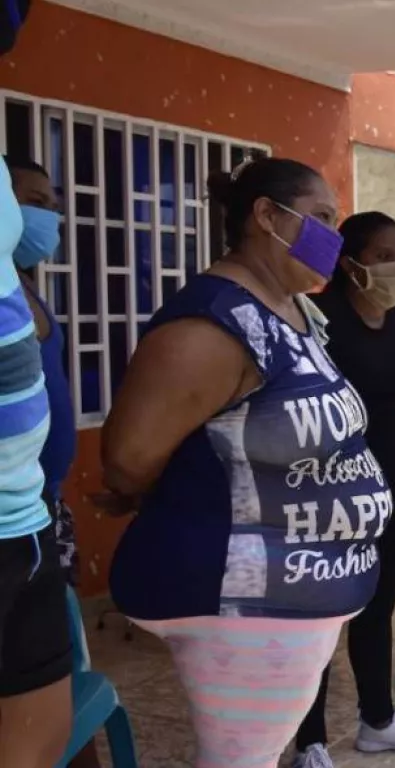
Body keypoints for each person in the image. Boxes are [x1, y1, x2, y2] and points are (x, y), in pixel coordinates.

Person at [101, 158, 390, 768]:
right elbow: (129, 461)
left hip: (291, 596)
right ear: (266, 216)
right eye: (321, 217)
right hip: (244, 599)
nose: (333, 237)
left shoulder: (290, 309)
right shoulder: (213, 326)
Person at [291, 213, 395, 767]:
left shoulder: (394, 313)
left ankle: (378, 720)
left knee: (377, 606)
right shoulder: (317, 317)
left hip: (391, 478)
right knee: (323, 615)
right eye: (383, 255)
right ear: (349, 261)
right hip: (333, 484)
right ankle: (310, 742)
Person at [0, 153, 67, 766]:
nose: (45, 217)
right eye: (33, 201)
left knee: (48, 708)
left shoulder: (25, 291)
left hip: (33, 509)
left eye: (51, 204)